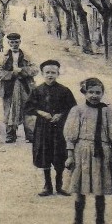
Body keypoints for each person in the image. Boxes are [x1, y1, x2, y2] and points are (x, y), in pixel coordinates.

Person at [63, 78, 112, 224]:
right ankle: (77, 220)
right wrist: (70, 155)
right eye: (91, 92)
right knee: (80, 188)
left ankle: (100, 221)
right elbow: (71, 134)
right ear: (84, 92)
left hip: (102, 152)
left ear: (102, 93)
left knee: (99, 188)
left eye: (98, 92)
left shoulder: (107, 111)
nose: (94, 95)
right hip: (82, 151)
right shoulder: (77, 110)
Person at [23, 60, 77, 196]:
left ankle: (59, 185)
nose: (50, 75)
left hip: (60, 129)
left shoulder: (64, 91)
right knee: (44, 154)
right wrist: (41, 113)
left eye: (53, 72)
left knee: (59, 155)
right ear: (42, 74)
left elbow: (73, 108)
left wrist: (61, 114)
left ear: (58, 73)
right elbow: (28, 107)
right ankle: (48, 185)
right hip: (43, 129)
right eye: (47, 72)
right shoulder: (37, 90)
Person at [0, 32, 38, 143]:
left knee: (27, 109)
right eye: (12, 42)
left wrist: (23, 71)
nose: (14, 44)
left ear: (20, 42)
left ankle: (30, 135)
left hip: (25, 86)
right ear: (8, 43)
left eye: (16, 42)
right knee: (9, 111)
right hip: (9, 88)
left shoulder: (27, 56)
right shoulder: (3, 57)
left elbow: (35, 70)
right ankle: (10, 135)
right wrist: (12, 73)